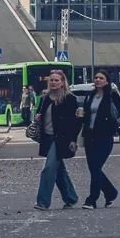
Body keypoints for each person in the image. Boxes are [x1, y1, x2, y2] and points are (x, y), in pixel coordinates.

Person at [79, 69, 120, 208]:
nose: (97, 80)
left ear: (107, 81)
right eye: (96, 78)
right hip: (90, 136)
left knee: (95, 167)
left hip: (104, 137)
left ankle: (92, 199)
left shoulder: (111, 96)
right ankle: (110, 192)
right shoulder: (90, 96)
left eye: (101, 78)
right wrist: (81, 116)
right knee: (94, 169)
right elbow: (86, 115)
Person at [33, 67, 82, 210]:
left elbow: (76, 122)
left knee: (48, 168)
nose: (53, 83)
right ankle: (71, 197)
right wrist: (38, 118)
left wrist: (73, 139)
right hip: (47, 138)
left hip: (61, 139)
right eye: (51, 80)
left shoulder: (69, 99)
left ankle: (42, 202)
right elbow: (40, 115)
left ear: (62, 82)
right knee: (58, 169)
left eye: (56, 80)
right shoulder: (45, 98)